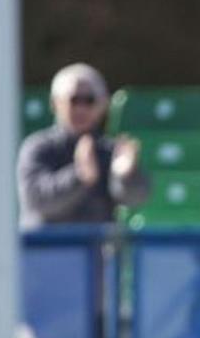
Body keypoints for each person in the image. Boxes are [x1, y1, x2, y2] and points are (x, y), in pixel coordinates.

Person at [17, 63, 148, 227]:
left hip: (95, 248)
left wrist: (127, 175)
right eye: (74, 100)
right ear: (55, 103)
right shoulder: (38, 147)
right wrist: (78, 176)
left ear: (102, 105)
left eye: (89, 100)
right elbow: (37, 201)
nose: (81, 108)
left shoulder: (109, 150)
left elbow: (135, 199)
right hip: (46, 247)